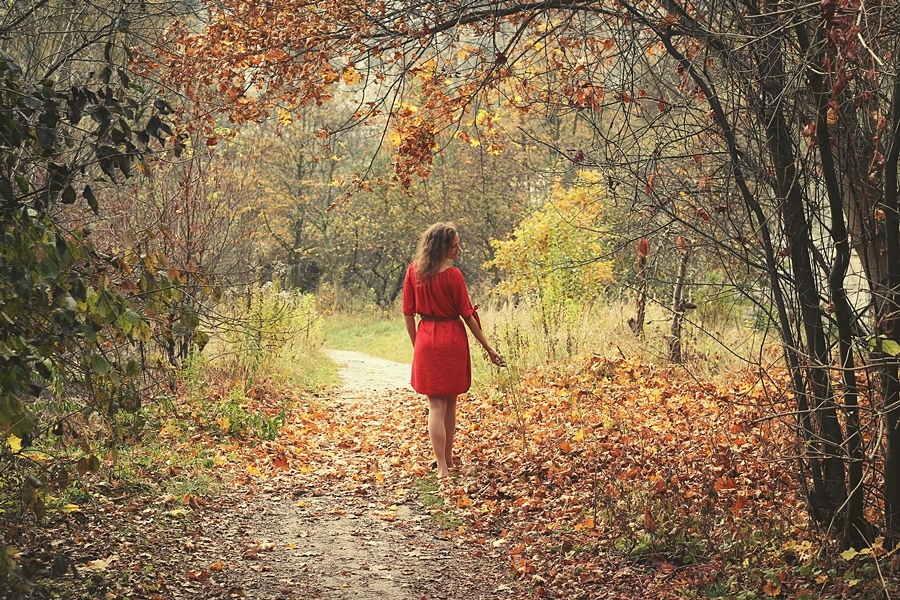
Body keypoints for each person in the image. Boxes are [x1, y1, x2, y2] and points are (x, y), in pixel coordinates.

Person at [402, 222, 504, 479]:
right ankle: (445, 462)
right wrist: (488, 347)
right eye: (454, 245)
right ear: (442, 247)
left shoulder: (414, 272)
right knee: (448, 402)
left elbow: (408, 312)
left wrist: (417, 344)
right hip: (452, 339)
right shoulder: (454, 276)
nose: (458, 249)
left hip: (427, 338)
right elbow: (467, 315)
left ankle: (443, 464)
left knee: (436, 405)